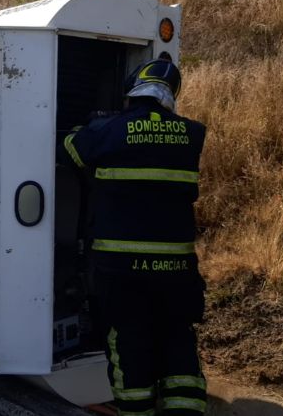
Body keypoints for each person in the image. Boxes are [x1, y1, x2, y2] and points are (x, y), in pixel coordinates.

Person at [58, 59, 207, 415]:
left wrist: (91, 124)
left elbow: (70, 148)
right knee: (178, 342)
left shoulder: (108, 130)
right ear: (170, 96)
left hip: (122, 271)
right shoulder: (192, 134)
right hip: (177, 271)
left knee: (129, 346)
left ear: (132, 91)